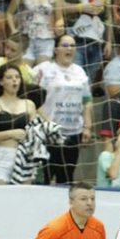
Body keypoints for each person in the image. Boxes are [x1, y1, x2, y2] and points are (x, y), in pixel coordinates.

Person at [33, 35, 93, 184]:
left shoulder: (80, 72)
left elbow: (87, 101)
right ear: (55, 49)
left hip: (74, 132)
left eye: (73, 46)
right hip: (49, 133)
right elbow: (33, 99)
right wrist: (48, 122)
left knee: (66, 178)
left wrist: (87, 126)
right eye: (65, 45)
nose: (70, 49)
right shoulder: (44, 69)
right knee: (45, 176)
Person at [0, 64, 36, 184]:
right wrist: (11, 134)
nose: (14, 80)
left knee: (24, 200)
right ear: (1, 82)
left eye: (17, 77)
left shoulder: (29, 104)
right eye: (9, 77)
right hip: (0, 157)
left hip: (25, 157)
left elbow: (35, 134)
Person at [64, 0, 112, 87]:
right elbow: (59, 7)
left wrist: (109, 41)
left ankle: (85, 102)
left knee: (88, 83)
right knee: (74, 79)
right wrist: (81, 7)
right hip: (76, 40)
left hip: (97, 42)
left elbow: (108, 16)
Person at [6, 0, 65, 66]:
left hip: (46, 40)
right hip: (25, 39)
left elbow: (59, 18)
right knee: (24, 70)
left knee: (42, 72)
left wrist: (59, 26)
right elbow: (9, 13)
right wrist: (13, 30)